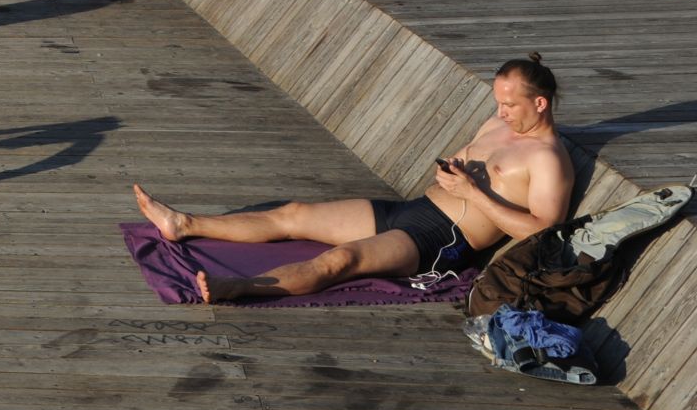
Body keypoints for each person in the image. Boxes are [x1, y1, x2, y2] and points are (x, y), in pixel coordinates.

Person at [131, 55, 573, 302]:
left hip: (442, 238)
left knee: (338, 262)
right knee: (294, 214)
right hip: (413, 210)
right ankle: (185, 224)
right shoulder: (500, 126)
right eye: (498, 102)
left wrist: (473, 192)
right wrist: (452, 174)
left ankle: (237, 288)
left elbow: (544, 230)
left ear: (540, 104)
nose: (500, 112)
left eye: (510, 105)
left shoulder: (549, 159)